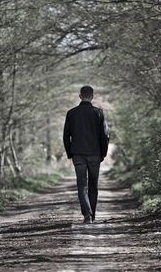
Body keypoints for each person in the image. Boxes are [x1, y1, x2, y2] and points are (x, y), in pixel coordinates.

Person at [63, 85, 109, 224]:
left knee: (81, 185)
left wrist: (70, 153)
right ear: (92, 96)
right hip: (95, 154)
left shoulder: (71, 113)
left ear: (80, 96)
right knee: (93, 185)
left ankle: (87, 214)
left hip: (78, 154)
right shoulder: (98, 113)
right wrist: (103, 153)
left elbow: (66, 136)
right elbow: (105, 135)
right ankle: (92, 214)